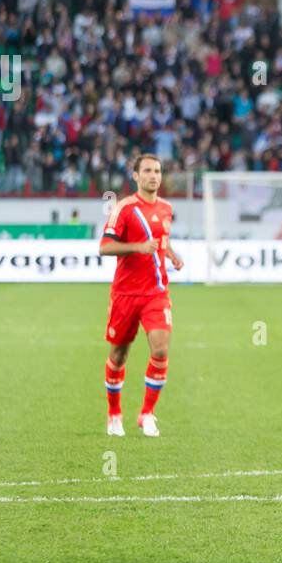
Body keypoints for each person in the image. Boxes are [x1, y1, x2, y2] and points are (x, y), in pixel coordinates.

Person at [99, 154, 183, 437]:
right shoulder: (124, 209)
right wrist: (137, 247)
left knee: (160, 349)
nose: (153, 175)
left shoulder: (167, 208)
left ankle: (147, 413)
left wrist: (170, 253)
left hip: (156, 293)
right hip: (125, 294)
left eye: (157, 171)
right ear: (135, 176)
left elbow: (161, 240)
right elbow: (105, 247)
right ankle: (114, 414)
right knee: (119, 354)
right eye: (147, 170)